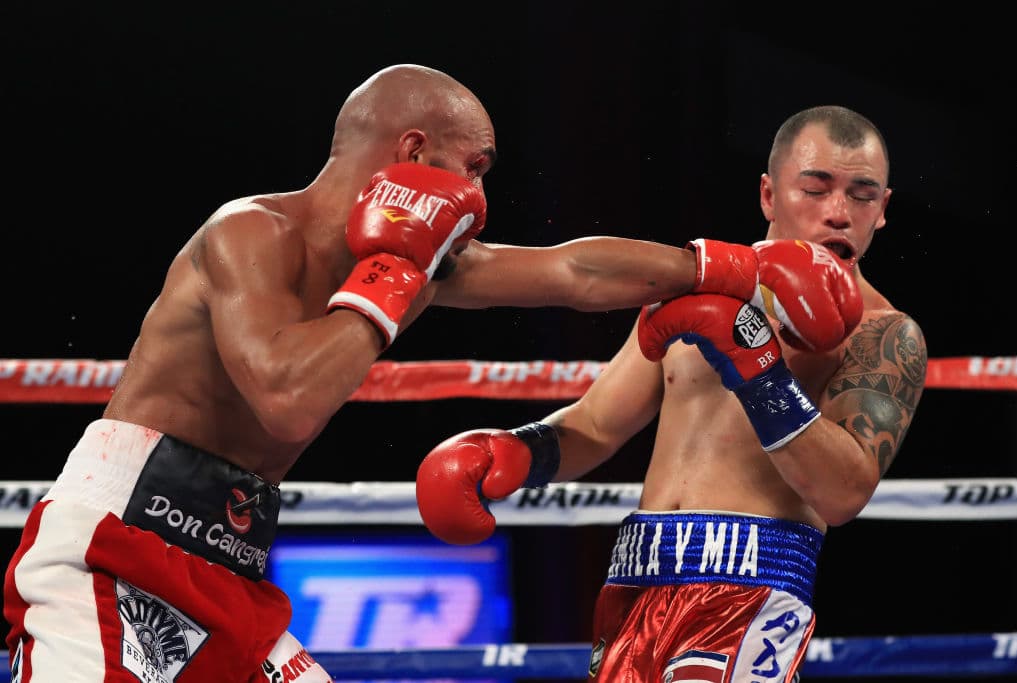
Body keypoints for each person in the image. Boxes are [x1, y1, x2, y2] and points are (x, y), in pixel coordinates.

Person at [0, 63, 849, 683]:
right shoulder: (250, 234)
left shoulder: (421, 263)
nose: (481, 193)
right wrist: (392, 274)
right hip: (118, 549)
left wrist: (737, 268)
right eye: (473, 167)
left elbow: (570, 271)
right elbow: (287, 399)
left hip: (229, 568)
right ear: (414, 150)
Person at [416, 105, 928, 682]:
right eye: (815, 188)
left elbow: (843, 493)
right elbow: (597, 425)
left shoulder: (884, 335)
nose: (838, 212)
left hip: (750, 592)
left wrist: (759, 373)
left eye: (862, 195)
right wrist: (515, 451)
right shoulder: (695, 285)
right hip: (635, 584)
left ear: (883, 209)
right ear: (768, 195)